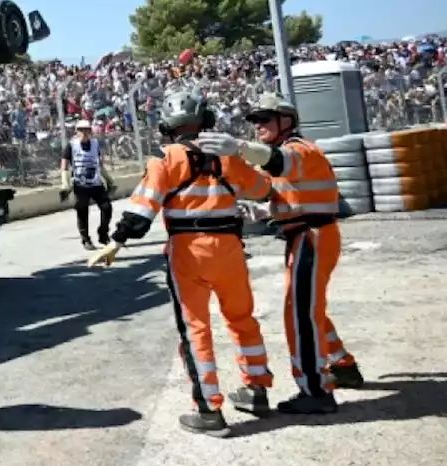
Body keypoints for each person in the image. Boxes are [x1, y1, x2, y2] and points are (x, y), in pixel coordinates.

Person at [88, 88, 277, 437]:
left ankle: (208, 410)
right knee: (241, 318)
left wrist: (116, 243)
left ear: (166, 124)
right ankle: (257, 390)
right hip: (231, 248)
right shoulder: (227, 157)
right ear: (204, 119)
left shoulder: (165, 159)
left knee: (195, 329)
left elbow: (141, 212)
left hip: (189, 252)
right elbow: (262, 190)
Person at [196, 93, 365, 415]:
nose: (257, 125)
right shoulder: (288, 151)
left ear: (285, 121)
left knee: (300, 315)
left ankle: (315, 390)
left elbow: (279, 161)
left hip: (312, 236)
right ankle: (342, 364)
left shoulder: (300, 149)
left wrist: (240, 149)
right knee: (308, 309)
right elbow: (286, 190)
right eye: (255, 121)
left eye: (264, 119)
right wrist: (266, 210)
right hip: (306, 235)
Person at [60, 119, 117, 250]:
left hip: (96, 183)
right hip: (80, 184)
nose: (84, 133)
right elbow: (64, 165)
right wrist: (65, 183)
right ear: (76, 131)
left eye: (86, 130)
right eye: (81, 130)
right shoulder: (71, 145)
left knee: (107, 208)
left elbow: (99, 164)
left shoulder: (95, 144)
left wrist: (108, 179)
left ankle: (103, 234)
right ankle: (85, 239)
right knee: (82, 211)